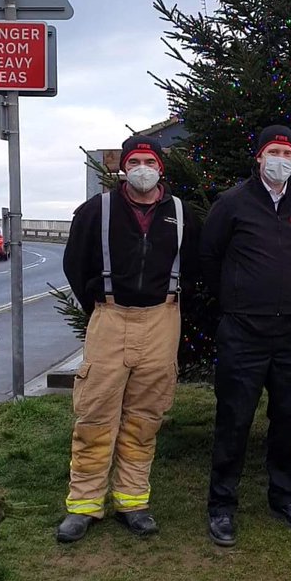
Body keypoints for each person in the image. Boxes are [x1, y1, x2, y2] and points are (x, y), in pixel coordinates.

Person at [56, 135, 200, 543]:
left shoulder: (180, 214)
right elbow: (74, 264)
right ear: (123, 167)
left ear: (161, 168)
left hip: (161, 320)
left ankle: (132, 501)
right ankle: (83, 505)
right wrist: (100, 306)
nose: (141, 168)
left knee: (144, 418)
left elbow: (196, 265)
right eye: (134, 161)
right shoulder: (95, 211)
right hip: (110, 317)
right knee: (95, 414)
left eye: (148, 161)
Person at [200, 124, 291, 548]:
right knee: (234, 418)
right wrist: (237, 301)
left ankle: (283, 496)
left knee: (289, 416)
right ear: (258, 157)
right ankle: (222, 505)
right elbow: (209, 258)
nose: (280, 159)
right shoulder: (232, 204)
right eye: (273, 151)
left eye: (287, 152)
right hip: (243, 332)